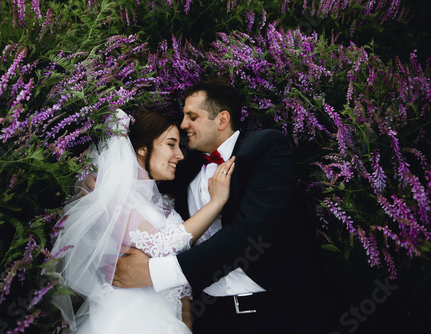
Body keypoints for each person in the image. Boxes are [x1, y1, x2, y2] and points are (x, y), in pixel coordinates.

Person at [111, 79, 328, 333]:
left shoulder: (266, 149)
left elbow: (250, 233)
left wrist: (156, 273)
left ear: (222, 120)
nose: (183, 125)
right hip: (210, 319)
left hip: (273, 313)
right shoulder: (185, 168)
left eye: (192, 116)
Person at [49, 108, 236, 333]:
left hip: (168, 318)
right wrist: (216, 203)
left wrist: (185, 315)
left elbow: (178, 266)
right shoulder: (111, 194)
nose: (180, 154)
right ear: (142, 149)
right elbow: (164, 246)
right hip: (131, 316)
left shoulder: (164, 202)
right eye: (170, 144)